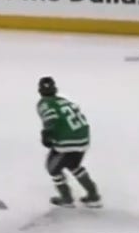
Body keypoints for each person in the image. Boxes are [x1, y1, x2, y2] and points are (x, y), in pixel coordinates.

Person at [36, 76, 102, 208]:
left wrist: (47, 134)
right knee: (74, 165)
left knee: (53, 168)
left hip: (66, 141)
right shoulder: (64, 101)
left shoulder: (44, 103)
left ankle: (66, 198)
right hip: (82, 138)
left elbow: (50, 117)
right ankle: (93, 194)